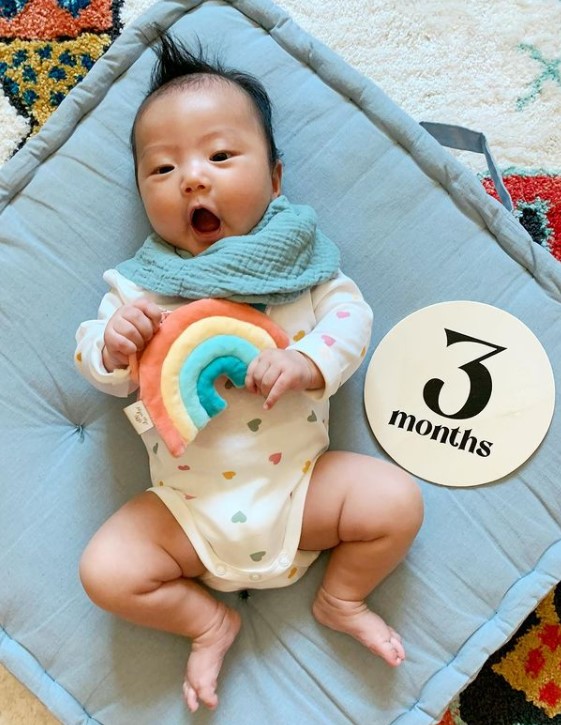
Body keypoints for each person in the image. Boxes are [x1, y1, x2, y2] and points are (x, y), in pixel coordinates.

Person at [75, 33, 423, 713]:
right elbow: (100, 364)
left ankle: (340, 596)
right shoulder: (142, 287)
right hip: (186, 514)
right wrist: (113, 345)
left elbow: (351, 320)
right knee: (105, 571)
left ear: (276, 177)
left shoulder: (303, 271)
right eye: (162, 169)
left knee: (393, 501)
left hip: (300, 492)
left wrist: (306, 359)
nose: (192, 179)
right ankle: (207, 620)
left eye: (220, 155)